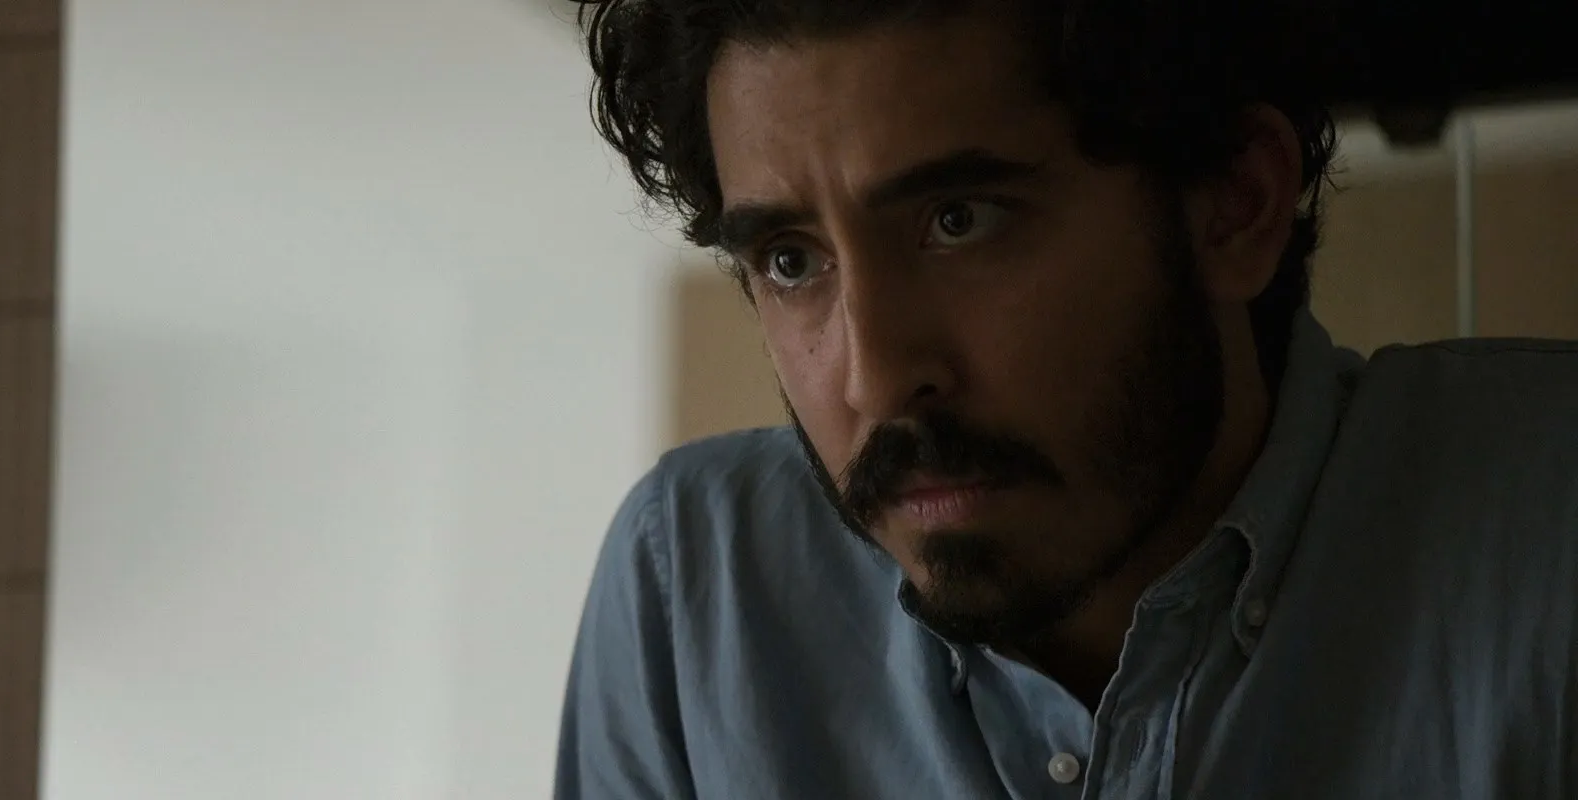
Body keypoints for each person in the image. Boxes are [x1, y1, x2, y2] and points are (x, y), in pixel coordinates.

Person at [553, 0, 1578, 798]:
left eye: (959, 220)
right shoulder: (693, 583)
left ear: (1235, 204)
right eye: (790, 260)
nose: (875, 377)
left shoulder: (1547, 526)